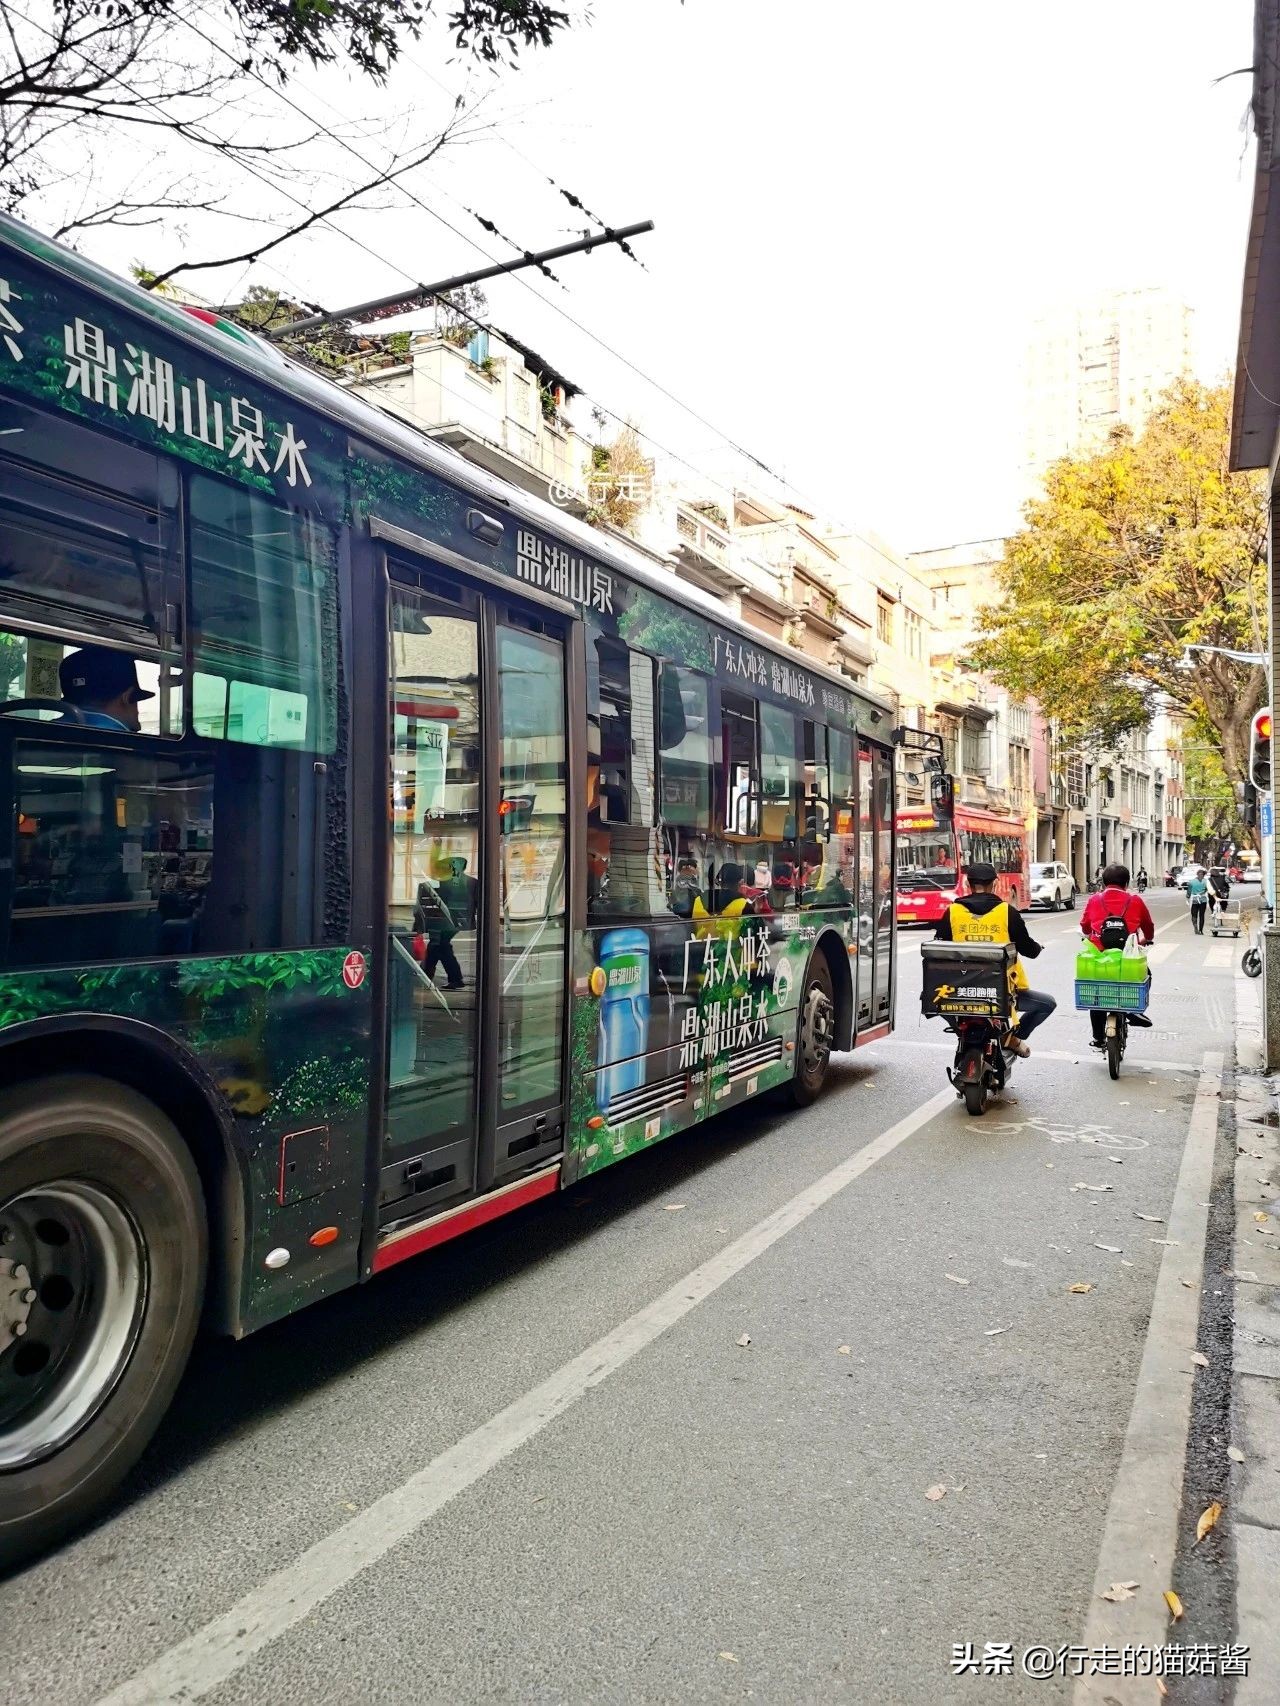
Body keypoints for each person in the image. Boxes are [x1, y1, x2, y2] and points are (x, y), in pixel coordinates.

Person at [933, 861, 1055, 1058]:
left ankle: (961, 1031)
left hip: (960, 990)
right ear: (995, 884)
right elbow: (1028, 950)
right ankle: (1013, 1037)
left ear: (967, 884)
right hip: (1001, 993)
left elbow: (939, 947)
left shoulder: (952, 912)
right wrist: (1037, 947)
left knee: (934, 1000)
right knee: (1047, 1004)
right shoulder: (1007, 912)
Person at [1080, 863, 1155, 1048]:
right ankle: (1132, 1010)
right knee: (1146, 975)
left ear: (1104, 882)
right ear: (1127, 883)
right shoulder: (1135, 900)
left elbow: (1084, 926)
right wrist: (1147, 939)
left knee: (1096, 991)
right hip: (1128, 956)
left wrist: (1092, 934)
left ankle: (1098, 1038)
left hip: (1101, 957)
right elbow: (1148, 927)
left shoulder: (1094, 900)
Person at [58, 646, 153, 733]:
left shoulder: (49, 729)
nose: (137, 711)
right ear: (127, 698)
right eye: (136, 699)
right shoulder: (124, 742)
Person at [1185, 868, 1209, 935]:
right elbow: (1207, 889)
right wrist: (1202, 892)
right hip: (1203, 900)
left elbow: (1189, 891)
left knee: (1194, 915)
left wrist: (1187, 898)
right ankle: (1200, 930)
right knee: (1201, 915)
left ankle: (1196, 928)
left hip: (1194, 900)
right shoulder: (1206, 881)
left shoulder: (1191, 882)